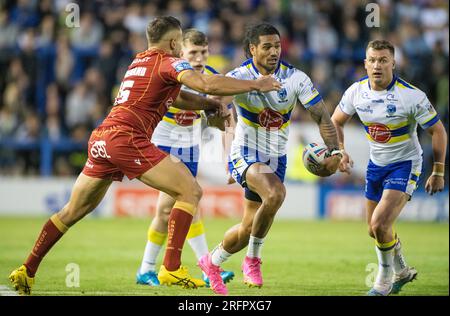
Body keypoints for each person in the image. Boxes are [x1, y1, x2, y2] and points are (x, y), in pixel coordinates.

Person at [8, 16, 281, 295]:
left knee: (72, 211)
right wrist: (256, 84)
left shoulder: (139, 62)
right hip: (127, 139)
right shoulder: (171, 62)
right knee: (190, 192)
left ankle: (27, 270)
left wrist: (206, 104)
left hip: (102, 138)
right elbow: (206, 83)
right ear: (175, 42)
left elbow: (177, 98)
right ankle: (171, 267)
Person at [197, 23, 343, 295]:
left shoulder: (296, 78)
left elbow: (321, 116)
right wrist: (217, 116)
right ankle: (252, 261)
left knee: (248, 227)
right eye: (267, 46)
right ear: (252, 49)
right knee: (275, 194)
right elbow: (214, 106)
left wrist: (334, 151)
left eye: (277, 46)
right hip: (246, 152)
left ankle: (211, 262)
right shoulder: (240, 77)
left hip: (276, 157)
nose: (274, 51)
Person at [331, 39, 447, 296]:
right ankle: (403, 270)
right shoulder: (356, 92)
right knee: (374, 230)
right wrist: (340, 150)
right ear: (365, 63)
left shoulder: (411, 96)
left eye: (383, 60)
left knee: (381, 224)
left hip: (405, 164)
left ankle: (382, 282)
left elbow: (438, 131)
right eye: (372, 60)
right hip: (376, 164)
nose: (377, 65)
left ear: (394, 63)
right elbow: (335, 122)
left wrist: (438, 170)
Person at [136, 29, 234, 287]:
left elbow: (223, 122)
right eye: (193, 52)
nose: (200, 57)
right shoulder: (172, 75)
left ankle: (148, 269)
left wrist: (228, 156)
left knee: (174, 209)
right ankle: (203, 268)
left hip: (191, 148)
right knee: (177, 206)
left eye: (204, 52)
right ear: (181, 53)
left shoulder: (212, 80)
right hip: (163, 144)